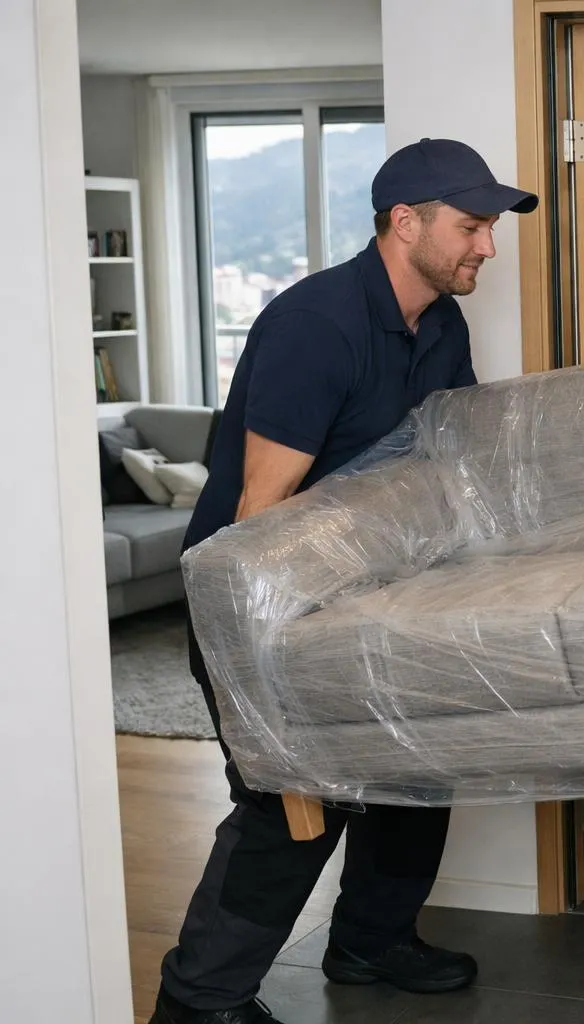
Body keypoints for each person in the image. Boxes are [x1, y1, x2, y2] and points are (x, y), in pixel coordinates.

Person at [151, 138, 539, 1024]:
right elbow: (262, 507)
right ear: (405, 223)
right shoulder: (315, 323)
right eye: (472, 225)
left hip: (372, 592)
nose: (487, 246)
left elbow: (451, 459)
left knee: (415, 767)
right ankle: (200, 1001)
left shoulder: (439, 322)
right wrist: (266, 663)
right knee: (288, 803)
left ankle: (371, 939)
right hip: (260, 604)